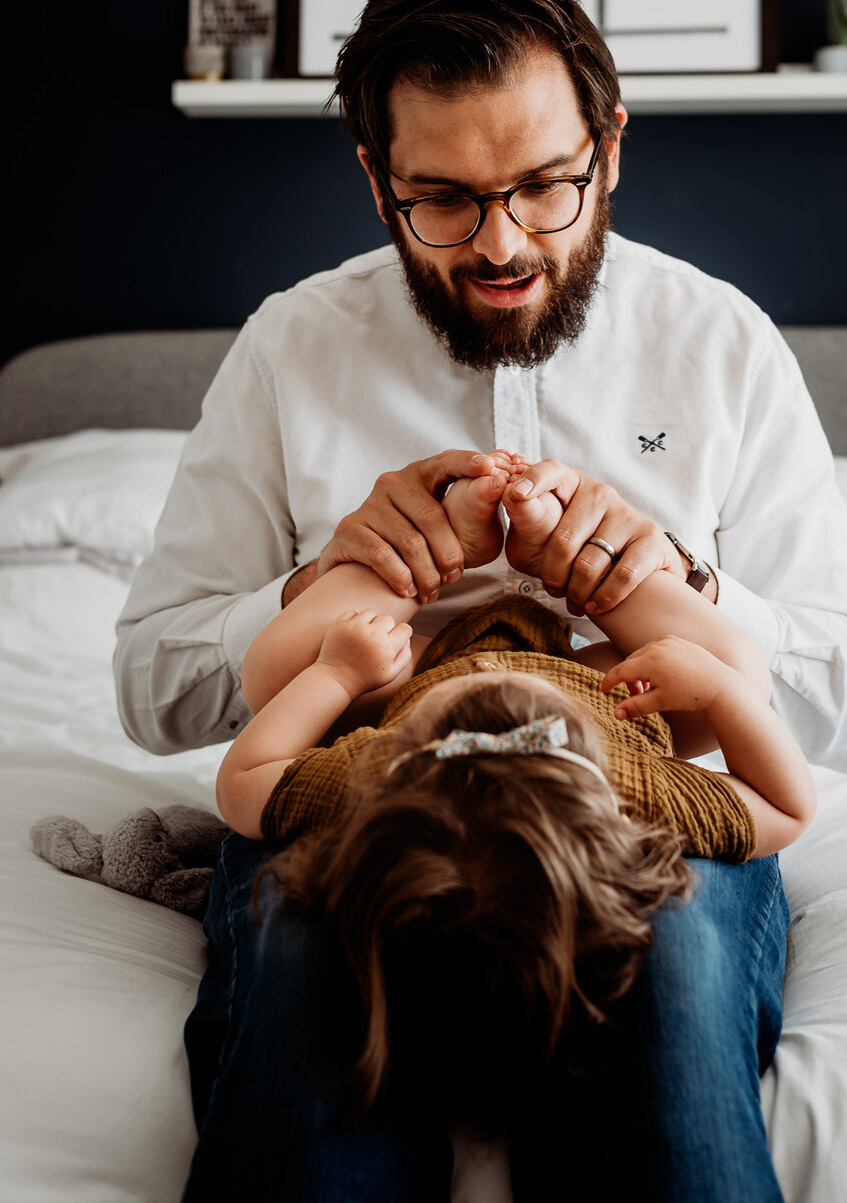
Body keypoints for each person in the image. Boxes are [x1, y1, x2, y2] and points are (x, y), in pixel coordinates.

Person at [114, 0, 847, 1201]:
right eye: (444, 199)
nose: (500, 246)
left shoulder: (721, 347)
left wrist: (686, 589)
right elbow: (149, 682)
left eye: (547, 184)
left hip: (632, 798)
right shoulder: (288, 350)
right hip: (366, 780)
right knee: (311, 989)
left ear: (612, 145)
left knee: (680, 983)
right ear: (377, 182)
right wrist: (319, 592)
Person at [211, 456, 815, 1141]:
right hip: (603, 686)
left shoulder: (380, 777)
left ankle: (420, 551)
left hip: (426, 665)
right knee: (738, 669)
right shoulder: (637, 798)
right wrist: (720, 694)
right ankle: (586, 563)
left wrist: (336, 672)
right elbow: (787, 807)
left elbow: (246, 779)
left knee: (272, 675)